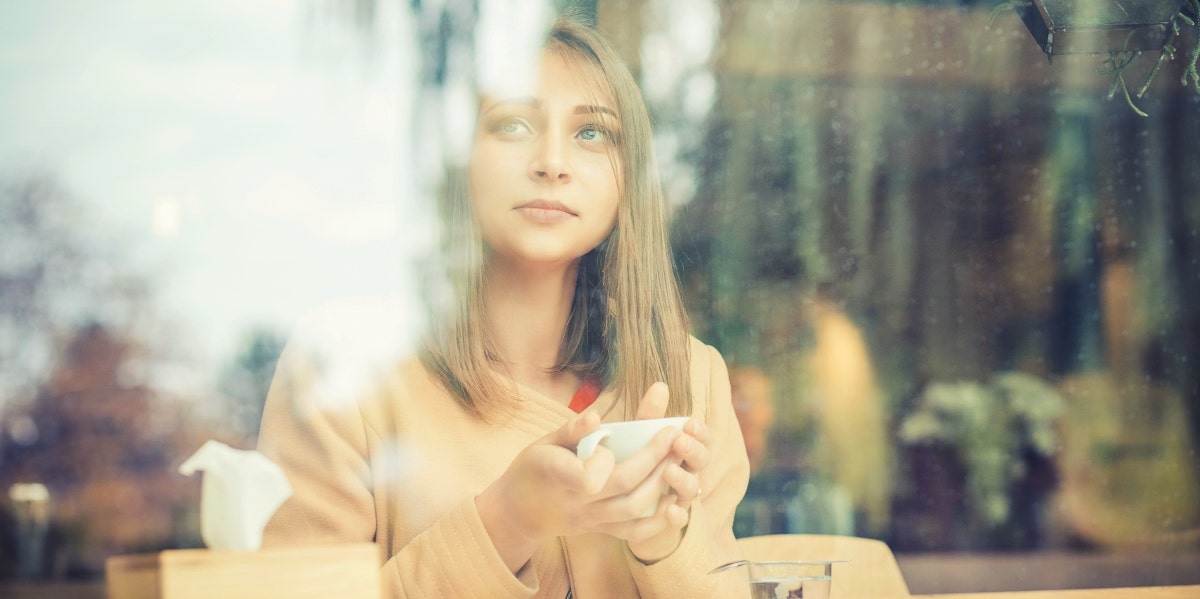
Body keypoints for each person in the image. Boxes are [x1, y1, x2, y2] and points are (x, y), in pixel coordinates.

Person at [256, 15, 750, 598]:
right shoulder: (340, 371)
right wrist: (507, 520)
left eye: (593, 133)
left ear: (631, 180)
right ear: (457, 159)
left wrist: (664, 544)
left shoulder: (693, 377)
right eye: (513, 124)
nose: (553, 162)